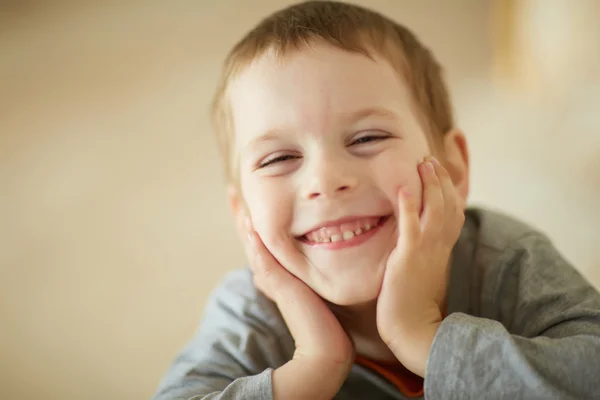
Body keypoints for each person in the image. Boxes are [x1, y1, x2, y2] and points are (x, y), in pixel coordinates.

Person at [152, 1, 600, 399]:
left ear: (454, 167)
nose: (325, 180)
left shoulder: (505, 258)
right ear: (243, 213)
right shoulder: (252, 311)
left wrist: (423, 336)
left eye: (367, 137)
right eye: (281, 157)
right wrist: (314, 368)